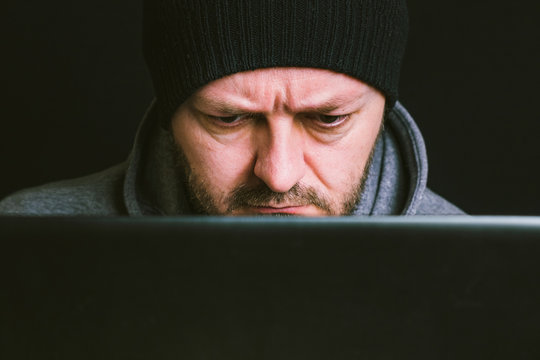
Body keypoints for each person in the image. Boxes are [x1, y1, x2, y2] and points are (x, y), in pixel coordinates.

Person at [0, 0, 463, 216]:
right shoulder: (24, 244)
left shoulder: (481, 283)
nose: (279, 175)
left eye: (327, 119)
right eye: (229, 119)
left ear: (382, 108)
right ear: (169, 113)